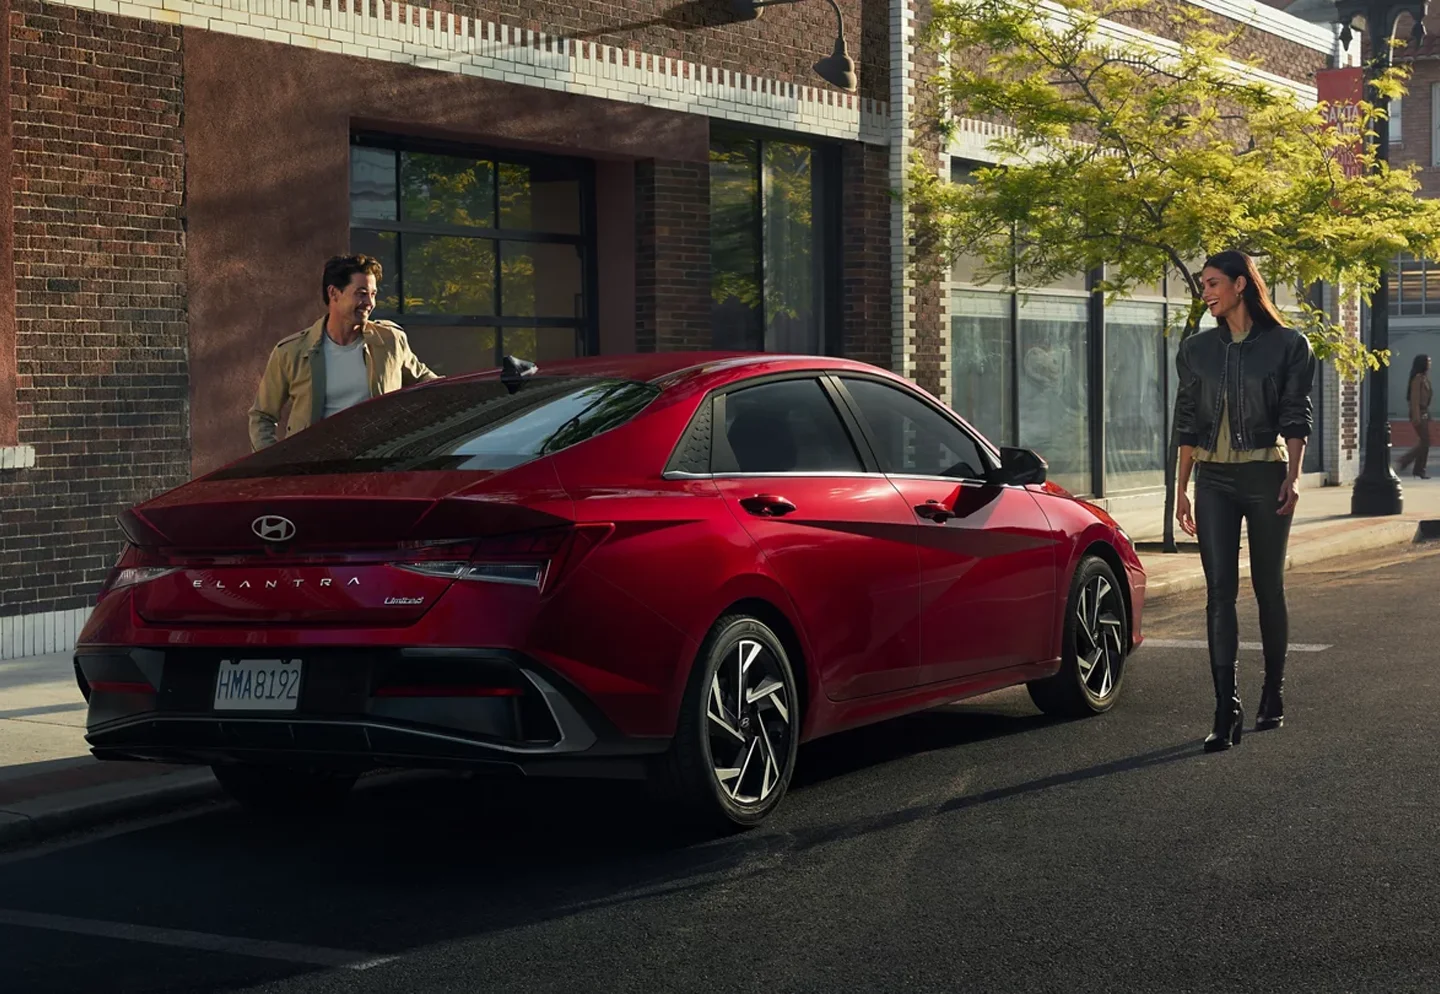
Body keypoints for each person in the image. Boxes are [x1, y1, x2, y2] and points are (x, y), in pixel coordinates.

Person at [1172, 250, 1316, 752]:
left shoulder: (1288, 345)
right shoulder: (1196, 350)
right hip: (1212, 479)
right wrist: (1180, 489)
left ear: (1240, 284)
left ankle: (1272, 691)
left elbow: (1295, 415)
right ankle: (1225, 708)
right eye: (1202, 285)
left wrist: (1293, 477)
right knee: (1219, 593)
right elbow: (1187, 422)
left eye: (1213, 283)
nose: (1206, 292)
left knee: (1267, 587)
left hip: (1264, 475)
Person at [248, 254, 439, 450]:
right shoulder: (292, 352)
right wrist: (273, 461)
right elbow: (262, 415)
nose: (370, 302)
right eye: (361, 293)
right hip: (316, 464)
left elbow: (430, 384)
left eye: (373, 294)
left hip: (378, 461)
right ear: (333, 293)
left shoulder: (390, 341)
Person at [1397, 354, 1432, 479]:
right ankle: (1406, 462)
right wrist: (1416, 416)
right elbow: (1414, 399)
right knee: (1425, 442)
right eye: (1428, 361)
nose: (1430, 363)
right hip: (1419, 413)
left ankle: (1417, 469)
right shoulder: (1417, 379)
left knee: (1425, 442)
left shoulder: (1424, 378)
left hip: (1424, 412)